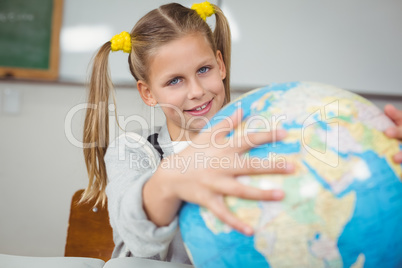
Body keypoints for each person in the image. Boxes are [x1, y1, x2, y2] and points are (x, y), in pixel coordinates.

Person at [80, 1, 402, 264]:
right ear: (148, 93)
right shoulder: (134, 150)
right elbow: (135, 233)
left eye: (203, 70)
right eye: (174, 80)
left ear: (221, 65)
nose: (196, 91)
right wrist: (173, 178)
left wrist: (384, 159)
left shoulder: (260, 135)